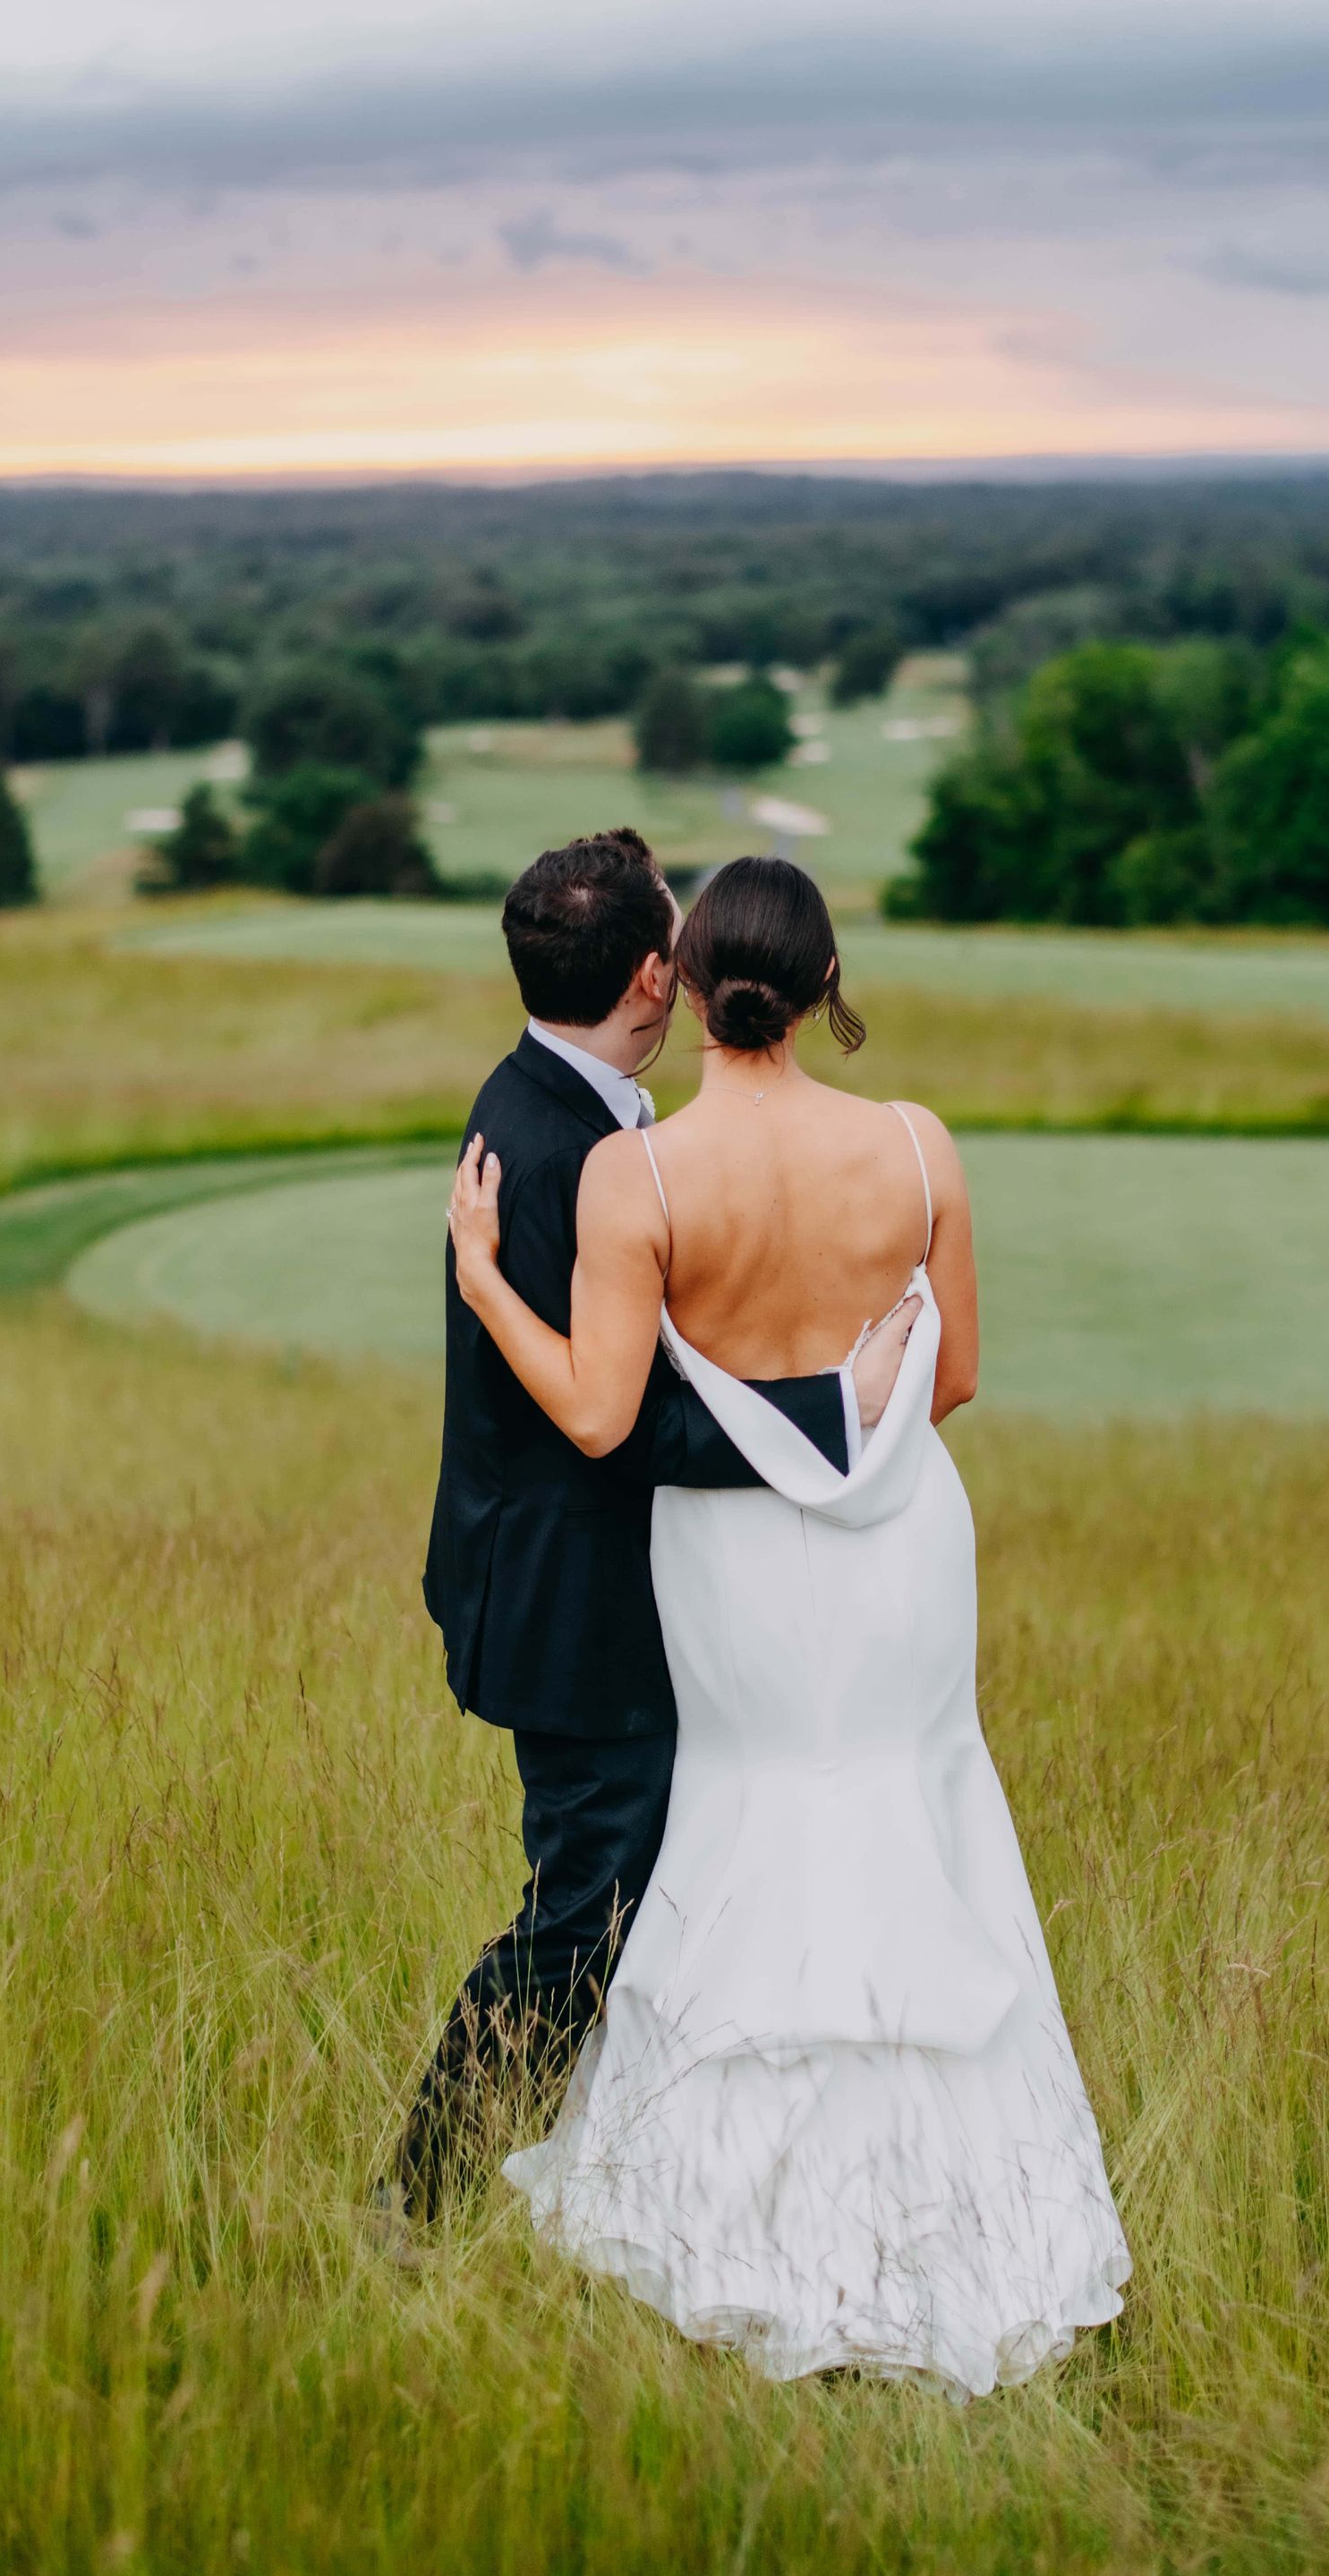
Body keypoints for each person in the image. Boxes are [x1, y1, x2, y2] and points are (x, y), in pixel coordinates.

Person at [446, 853, 1130, 2397]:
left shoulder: (644, 1174)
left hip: (731, 1564)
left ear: (685, 988)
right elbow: (949, 1383)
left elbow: (604, 1419)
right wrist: (852, 1401)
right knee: (912, 1812)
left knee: (751, 1829)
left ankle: (733, 2227)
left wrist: (488, 1281)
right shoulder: (917, 1142)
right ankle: (975, 2229)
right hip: (900, 1548)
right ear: (828, 985)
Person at [391, 829, 903, 2228]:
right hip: (572, 1608)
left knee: (629, 1897)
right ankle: (419, 2205)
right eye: (672, 943)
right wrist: (829, 1410)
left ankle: (652, 2169)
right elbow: (617, 1425)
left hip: (567, 1578)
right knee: (581, 1921)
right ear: (650, 979)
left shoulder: (566, 1107)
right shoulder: (559, 1151)